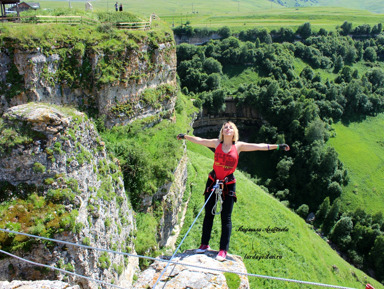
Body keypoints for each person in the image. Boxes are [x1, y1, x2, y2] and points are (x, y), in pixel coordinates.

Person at [177, 121, 290, 261]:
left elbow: (259, 146)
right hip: (213, 180)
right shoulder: (216, 143)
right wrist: (185, 136)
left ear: (234, 132)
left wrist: (278, 146)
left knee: (226, 217)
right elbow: (200, 140)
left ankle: (223, 250)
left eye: (230, 127)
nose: (228, 129)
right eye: (225, 127)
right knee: (208, 214)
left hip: (228, 184)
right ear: (222, 132)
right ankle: (204, 244)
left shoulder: (239, 146)